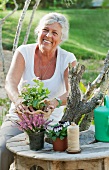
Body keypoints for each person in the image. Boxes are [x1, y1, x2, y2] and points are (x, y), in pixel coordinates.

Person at [0, 12, 76, 170]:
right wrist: (18, 100)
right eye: (45, 30)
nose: (48, 35)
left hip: (51, 123)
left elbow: (73, 93)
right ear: (38, 32)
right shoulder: (24, 52)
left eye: (54, 33)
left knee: (48, 162)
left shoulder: (68, 59)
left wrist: (55, 102)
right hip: (19, 119)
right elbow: (10, 82)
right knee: (1, 149)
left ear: (61, 38)